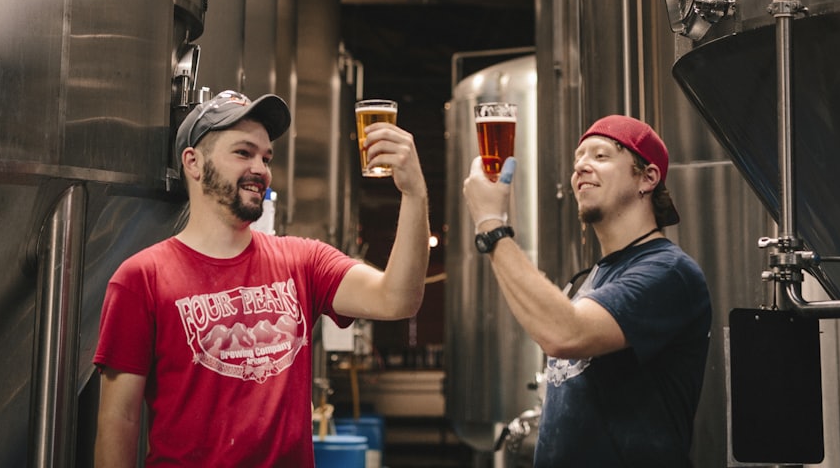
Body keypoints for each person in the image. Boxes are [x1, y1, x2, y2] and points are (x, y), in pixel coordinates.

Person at [95, 89, 429, 467]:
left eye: (266, 157)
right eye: (243, 153)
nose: (261, 169)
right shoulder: (141, 279)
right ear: (193, 162)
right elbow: (119, 420)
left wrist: (414, 193)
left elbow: (398, 299)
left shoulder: (303, 261)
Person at [462, 114, 711, 467]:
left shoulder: (668, 272)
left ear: (648, 177)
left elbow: (565, 334)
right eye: (578, 159)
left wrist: (492, 227)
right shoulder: (592, 278)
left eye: (600, 155)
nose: (580, 167)